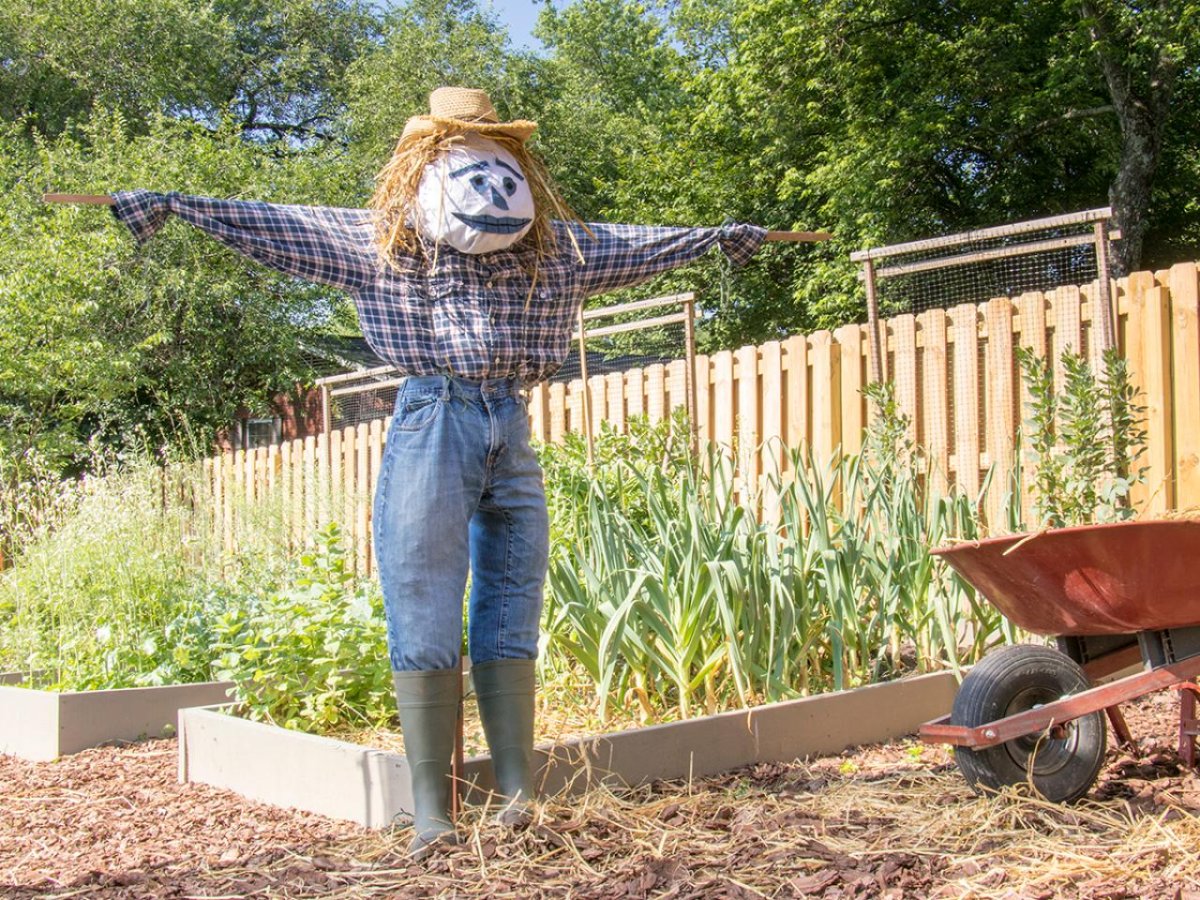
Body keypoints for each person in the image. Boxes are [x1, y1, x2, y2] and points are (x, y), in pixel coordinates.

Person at [105, 87, 766, 858]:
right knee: (424, 595)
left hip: (509, 421)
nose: (488, 180)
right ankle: (433, 809)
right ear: (428, 163)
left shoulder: (556, 250)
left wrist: (720, 238)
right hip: (432, 418)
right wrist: (178, 206)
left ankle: (517, 793)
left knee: (514, 593)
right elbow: (277, 224)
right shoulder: (383, 243)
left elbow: (646, 241)